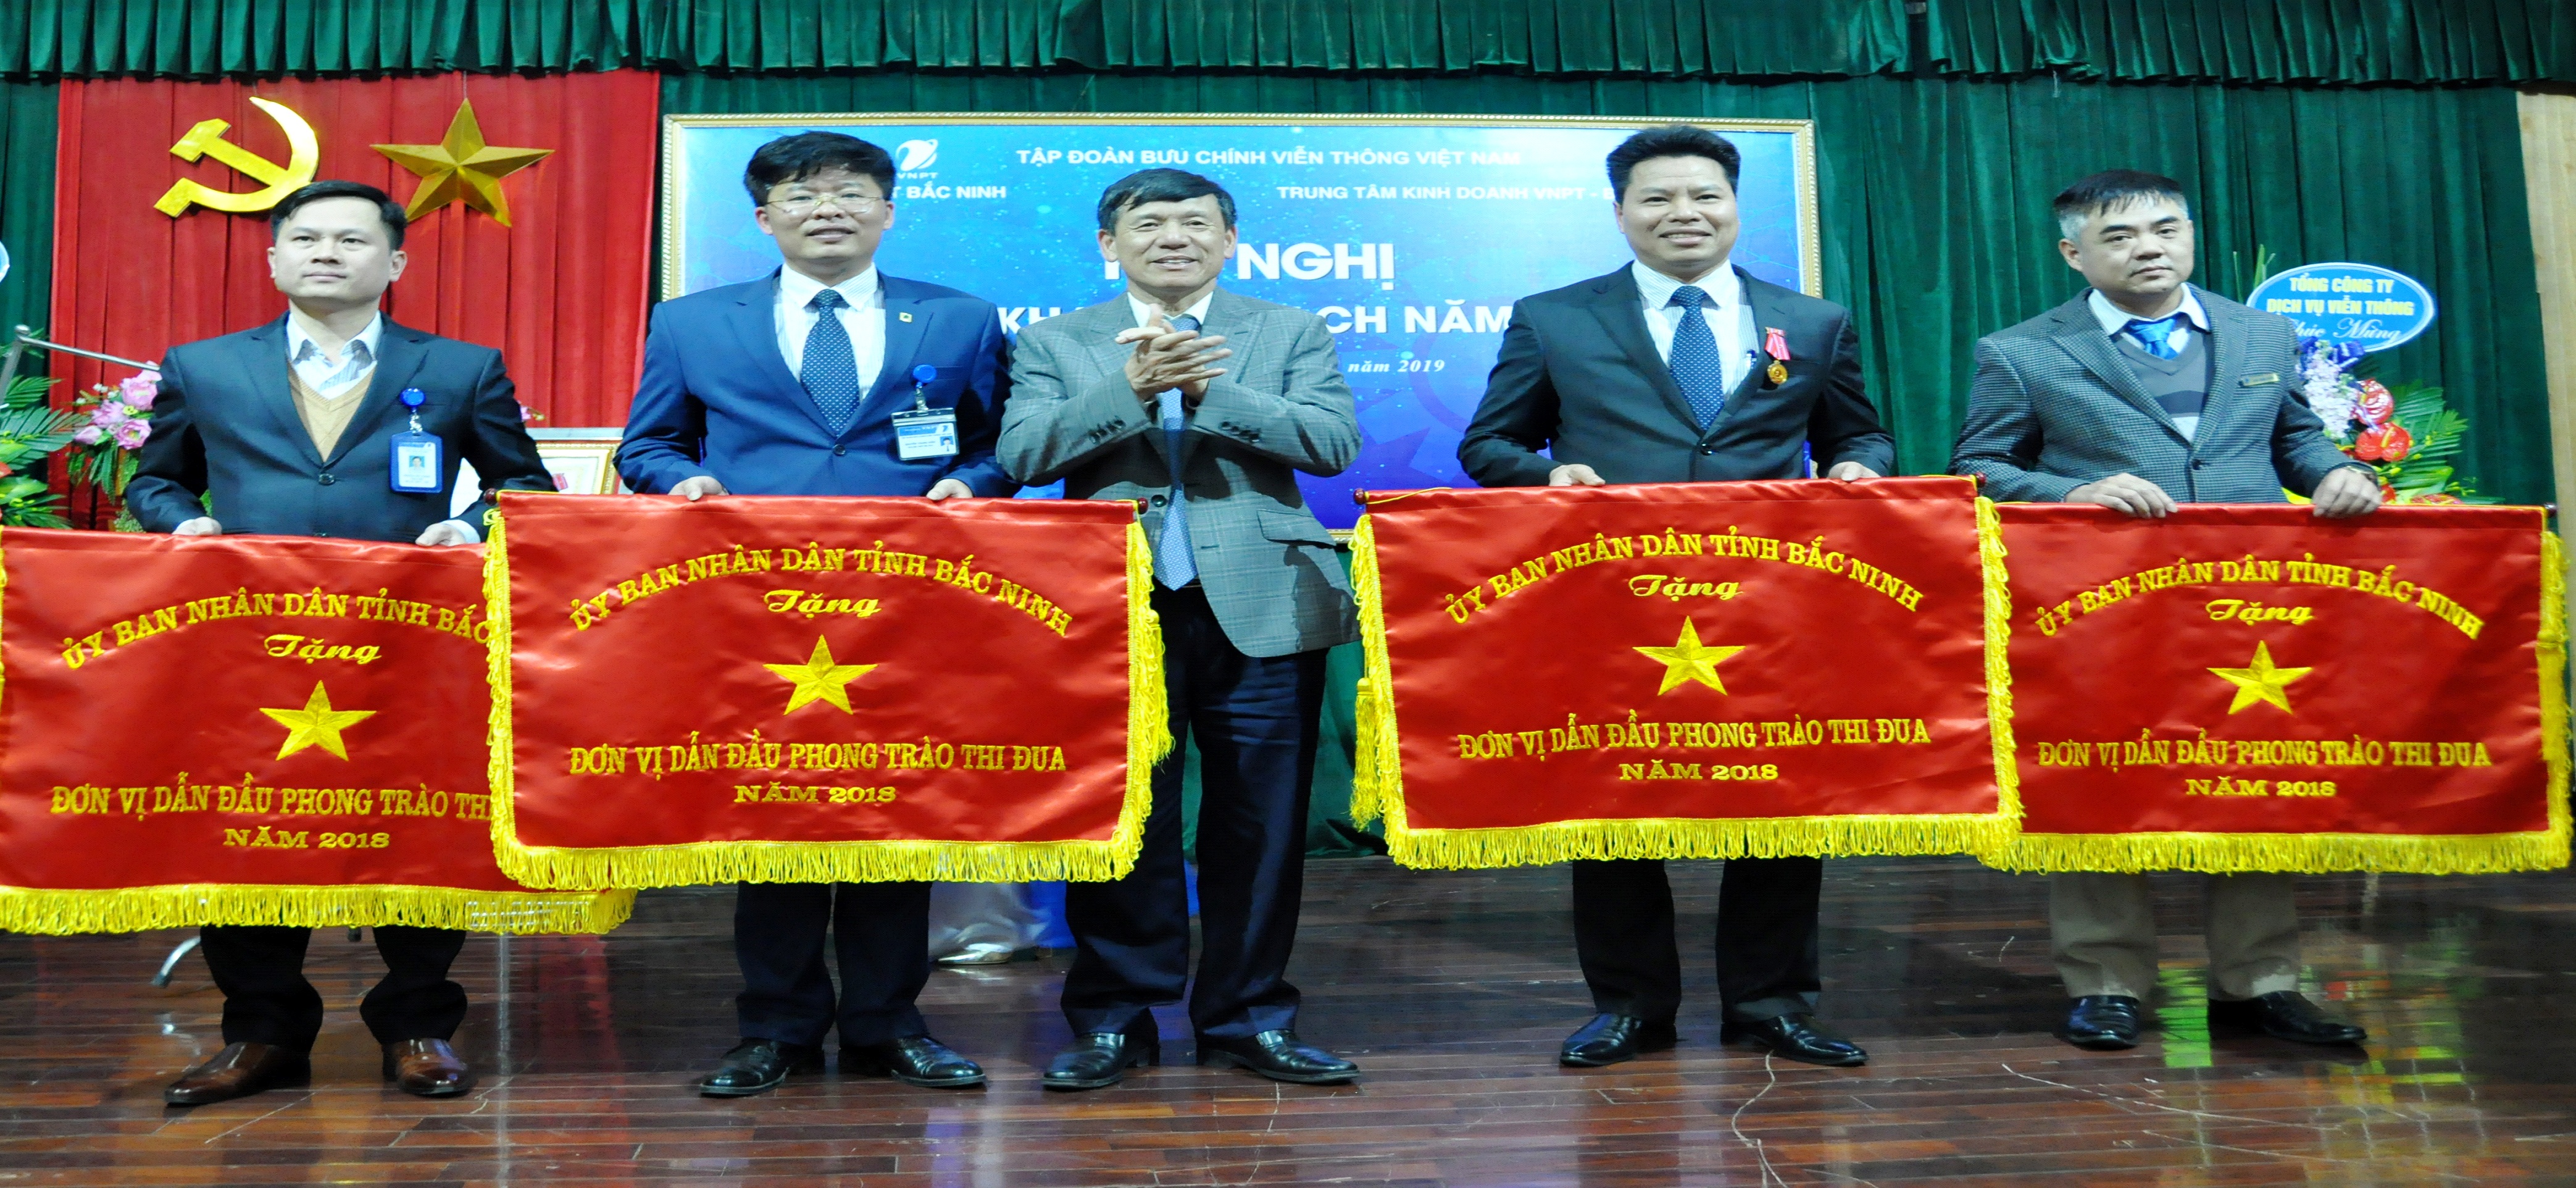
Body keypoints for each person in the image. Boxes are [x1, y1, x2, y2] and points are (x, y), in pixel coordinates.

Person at [1457, 124, 1891, 1069]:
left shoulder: (1811, 321)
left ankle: (1771, 1003)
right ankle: (1629, 1005)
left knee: (1777, 798)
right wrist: (1545, 475)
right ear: (1620, 212)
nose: (1682, 214)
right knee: (1614, 799)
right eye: (1656, 198)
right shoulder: (1554, 318)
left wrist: (1857, 468)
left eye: (1703, 196)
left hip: (1770, 602)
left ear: (1735, 207)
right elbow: (1488, 444)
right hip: (1612, 599)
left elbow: (1858, 434)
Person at [128, 180, 556, 1105]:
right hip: (250, 643)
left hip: (407, 642)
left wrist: (472, 526)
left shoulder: (459, 368)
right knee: (248, 825)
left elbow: (524, 486)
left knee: (417, 820)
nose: (327, 253)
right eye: (307, 238)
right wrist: (182, 523)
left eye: (352, 240)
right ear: (274, 259)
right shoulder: (204, 366)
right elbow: (155, 481)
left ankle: (417, 1025)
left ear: (394, 262)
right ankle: (261, 1032)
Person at [617, 131, 1015, 1096]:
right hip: (759, 607)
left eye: (849, 192)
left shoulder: (959, 319)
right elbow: (647, 446)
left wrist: (971, 482)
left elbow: (1004, 441)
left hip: (907, 603)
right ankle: (776, 1027)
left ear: (887, 212)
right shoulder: (690, 321)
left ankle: (888, 1022)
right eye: (800, 195)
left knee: (893, 808)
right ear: (764, 219)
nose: (826, 209)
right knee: (776, 810)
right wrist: (681, 482)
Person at [1950, 169, 2380, 1052]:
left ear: (2188, 235)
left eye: (2165, 229)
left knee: (2254, 783)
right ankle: (2104, 984)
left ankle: (2260, 983)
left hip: (2249, 604)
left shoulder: (2261, 330)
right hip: (2101, 612)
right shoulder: (2022, 351)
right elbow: (1980, 469)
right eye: (2118, 237)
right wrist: (2075, 491)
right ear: (2073, 254)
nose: (2147, 248)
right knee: (2100, 780)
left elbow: (2294, 438)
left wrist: (2339, 473)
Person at [998, 169, 1362, 1092]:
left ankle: (1249, 1017)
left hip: (1265, 603)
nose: (1173, 238)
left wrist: (1208, 393)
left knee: (1260, 824)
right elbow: (1023, 454)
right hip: (1113, 607)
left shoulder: (1289, 329)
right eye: (1149, 223)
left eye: (1195, 222)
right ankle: (1115, 1020)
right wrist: (1130, 387)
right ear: (1108, 244)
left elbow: (1331, 446)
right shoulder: (1053, 340)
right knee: (1126, 819)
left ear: (1229, 240)